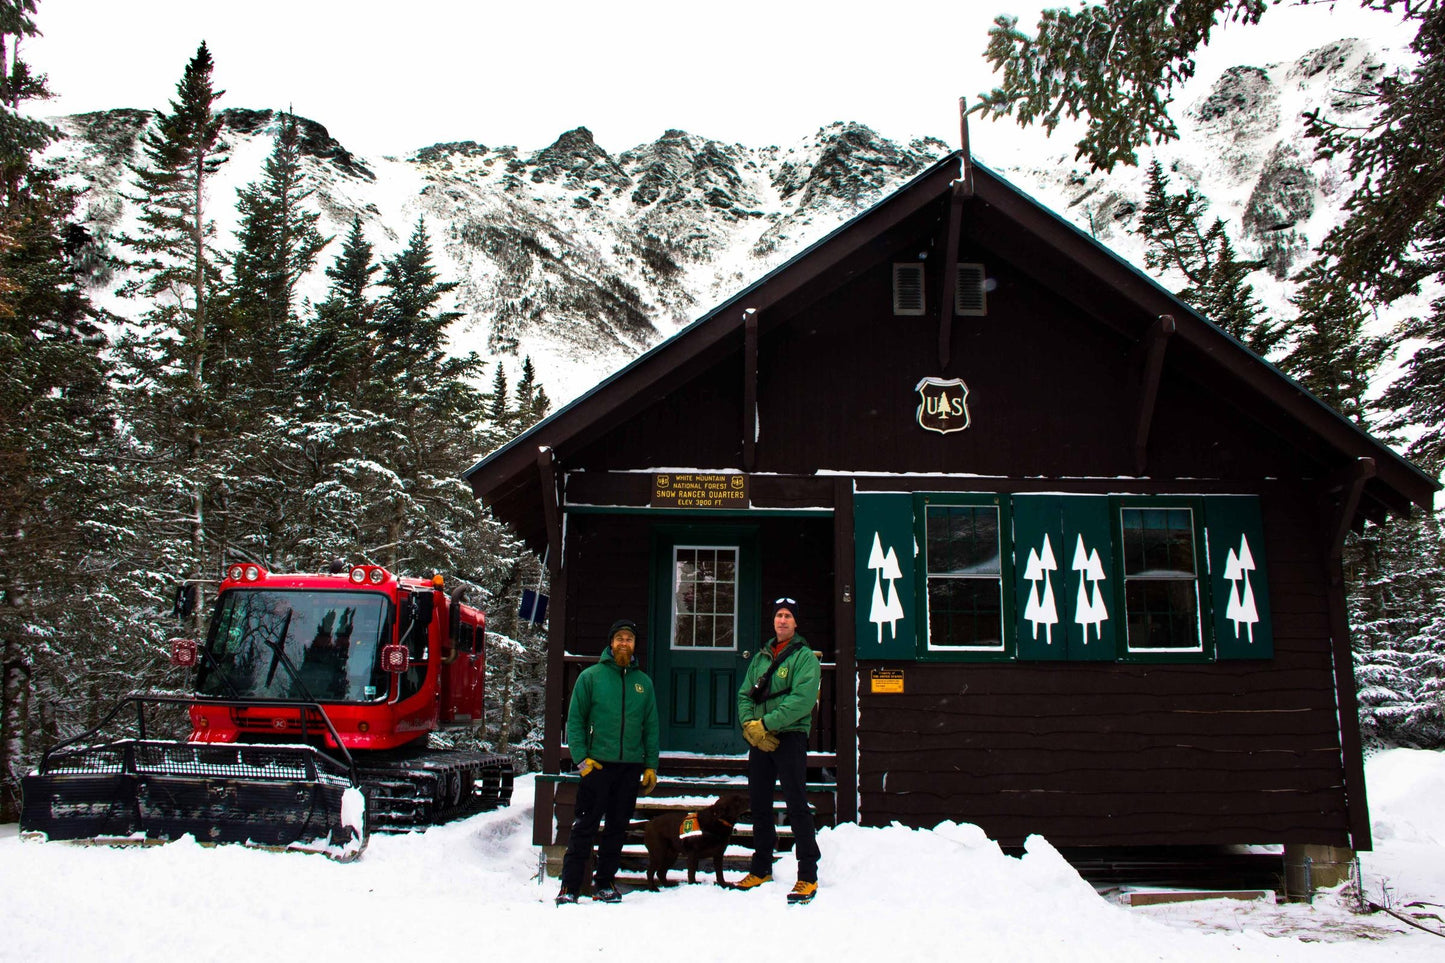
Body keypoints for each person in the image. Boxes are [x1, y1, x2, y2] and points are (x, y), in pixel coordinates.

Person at [556, 619, 660, 905]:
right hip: (597, 765)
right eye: (619, 638)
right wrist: (581, 759)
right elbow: (574, 721)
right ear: (611, 643)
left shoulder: (644, 683)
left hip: (629, 768)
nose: (624, 643)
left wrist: (651, 766)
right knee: (584, 827)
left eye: (629, 639)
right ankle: (570, 887)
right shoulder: (591, 677)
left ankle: (604, 883)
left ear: (635, 645)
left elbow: (651, 727)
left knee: (617, 827)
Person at [735, 597, 822, 904]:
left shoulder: (805, 659)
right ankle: (761, 868)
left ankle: (807, 875)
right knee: (759, 803)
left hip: (790, 738)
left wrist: (766, 724)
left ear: (795, 623)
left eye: (787, 616)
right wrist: (751, 726)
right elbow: (745, 694)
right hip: (760, 741)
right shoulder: (760, 657)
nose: (782, 620)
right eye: (778, 616)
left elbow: (801, 700)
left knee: (797, 805)